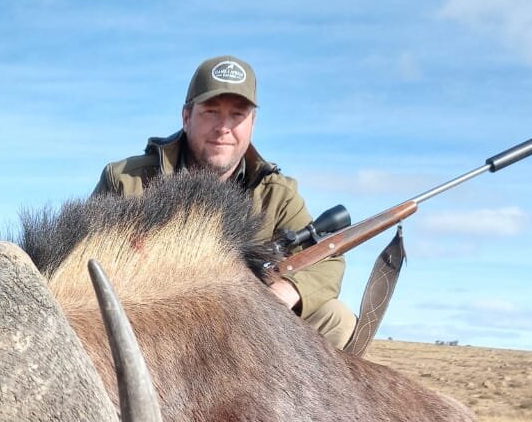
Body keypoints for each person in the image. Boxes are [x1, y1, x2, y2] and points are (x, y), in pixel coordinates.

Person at [94, 55, 356, 350]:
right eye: (210, 112)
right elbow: (82, 261)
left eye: (237, 115)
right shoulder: (127, 180)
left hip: (240, 333)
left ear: (252, 123)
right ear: (186, 117)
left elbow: (328, 257)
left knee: (335, 317)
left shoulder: (277, 193)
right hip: (149, 325)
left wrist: (284, 292)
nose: (223, 127)